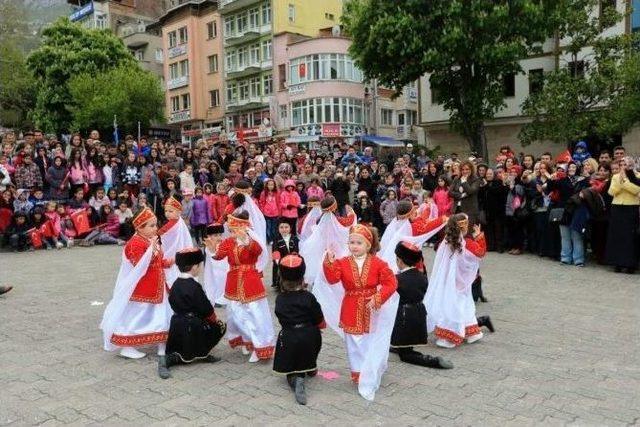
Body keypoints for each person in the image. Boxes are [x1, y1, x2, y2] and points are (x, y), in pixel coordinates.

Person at [319, 224, 399, 401]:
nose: (354, 246)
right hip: (351, 306)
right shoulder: (342, 262)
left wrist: (378, 298)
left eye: (358, 243)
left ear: (368, 245)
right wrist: (328, 262)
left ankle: (372, 369)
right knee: (354, 343)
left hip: (372, 308)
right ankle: (359, 373)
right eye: (351, 242)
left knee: (370, 341)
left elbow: (391, 283)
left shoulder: (379, 263)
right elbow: (332, 279)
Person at [100, 207, 175, 379]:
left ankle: (161, 341)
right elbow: (140, 264)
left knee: (160, 314)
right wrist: (153, 249)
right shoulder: (134, 244)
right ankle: (127, 345)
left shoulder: (150, 240)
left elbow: (157, 260)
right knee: (138, 315)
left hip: (158, 285)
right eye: (151, 226)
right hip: (143, 287)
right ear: (139, 227)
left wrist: (168, 261)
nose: (155, 228)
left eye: (156, 225)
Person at [205, 210, 275, 362]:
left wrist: (246, 240)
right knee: (236, 314)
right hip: (233, 281)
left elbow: (257, 252)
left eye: (234, 230)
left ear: (244, 228)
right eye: (230, 230)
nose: (231, 233)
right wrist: (212, 251)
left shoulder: (251, 241)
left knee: (255, 314)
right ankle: (246, 340)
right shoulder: (228, 242)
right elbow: (219, 255)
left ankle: (259, 346)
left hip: (251, 281)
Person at [426, 214, 490, 348]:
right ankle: (466, 334)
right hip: (462, 281)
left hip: (449, 281)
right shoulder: (468, 244)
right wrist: (479, 236)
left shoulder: (446, 242)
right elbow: (481, 252)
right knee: (464, 305)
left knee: (453, 306)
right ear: (465, 226)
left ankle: (456, 335)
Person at [390, 241, 452, 369]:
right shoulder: (422, 276)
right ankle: (400, 347)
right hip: (418, 314)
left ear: (399, 261)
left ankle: (433, 361)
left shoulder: (397, 278)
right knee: (404, 344)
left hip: (404, 316)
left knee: (406, 355)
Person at [273, 254, 325, 406]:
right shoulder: (309, 297)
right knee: (314, 335)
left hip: (290, 336)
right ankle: (310, 367)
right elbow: (319, 318)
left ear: (282, 279)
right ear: (302, 278)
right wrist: (319, 326)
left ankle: (295, 378)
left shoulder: (280, 299)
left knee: (287, 338)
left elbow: (280, 316)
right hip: (309, 336)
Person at [165, 248, 226, 376]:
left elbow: (171, 301)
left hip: (176, 323)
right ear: (194, 267)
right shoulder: (194, 286)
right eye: (199, 266)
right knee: (219, 326)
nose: (199, 269)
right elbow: (206, 308)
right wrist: (214, 320)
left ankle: (194, 353)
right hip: (192, 324)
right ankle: (201, 352)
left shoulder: (175, 284)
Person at [605, 156, 640, 274]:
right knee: (617, 235)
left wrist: (625, 181)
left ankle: (630, 264)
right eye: (621, 165)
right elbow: (611, 192)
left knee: (629, 237)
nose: (623, 167)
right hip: (617, 207)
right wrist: (620, 181)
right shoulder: (615, 176)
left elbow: (636, 190)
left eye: (625, 165)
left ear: (630, 165)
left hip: (631, 207)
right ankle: (617, 263)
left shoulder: (637, 176)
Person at [158, 196, 193, 287]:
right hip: (179, 249)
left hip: (172, 252)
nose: (167, 214)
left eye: (170, 211)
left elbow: (161, 232)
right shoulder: (179, 221)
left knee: (171, 272)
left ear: (179, 212)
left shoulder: (173, 223)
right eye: (166, 211)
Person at [271, 220, 299, 291]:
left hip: (293, 260)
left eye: (286, 227)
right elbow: (275, 251)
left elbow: (296, 250)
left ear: (290, 228)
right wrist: (278, 262)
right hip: (281, 261)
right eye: (281, 227)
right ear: (278, 229)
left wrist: (294, 258)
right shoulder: (276, 239)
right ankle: (279, 284)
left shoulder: (294, 238)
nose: (284, 229)